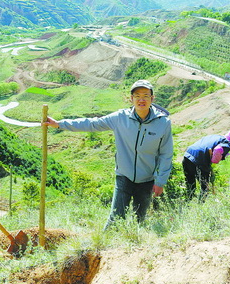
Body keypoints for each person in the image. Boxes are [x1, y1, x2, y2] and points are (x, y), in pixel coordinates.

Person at [43, 80, 173, 229]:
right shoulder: (120, 118)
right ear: (131, 99)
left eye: (145, 95)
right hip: (124, 176)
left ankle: (133, 249)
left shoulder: (163, 123)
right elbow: (92, 124)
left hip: (147, 180)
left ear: (152, 98)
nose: (141, 99)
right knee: (115, 219)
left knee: (139, 221)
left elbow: (166, 153)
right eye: (137, 96)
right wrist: (60, 124)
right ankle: (104, 247)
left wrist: (160, 181)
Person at [182, 130, 230, 202]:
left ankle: (187, 203)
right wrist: (214, 161)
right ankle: (201, 206)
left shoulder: (216, 137)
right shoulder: (227, 143)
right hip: (200, 158)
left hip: (187, 155)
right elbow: (218, 149)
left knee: (190, 185)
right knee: (205, 187)